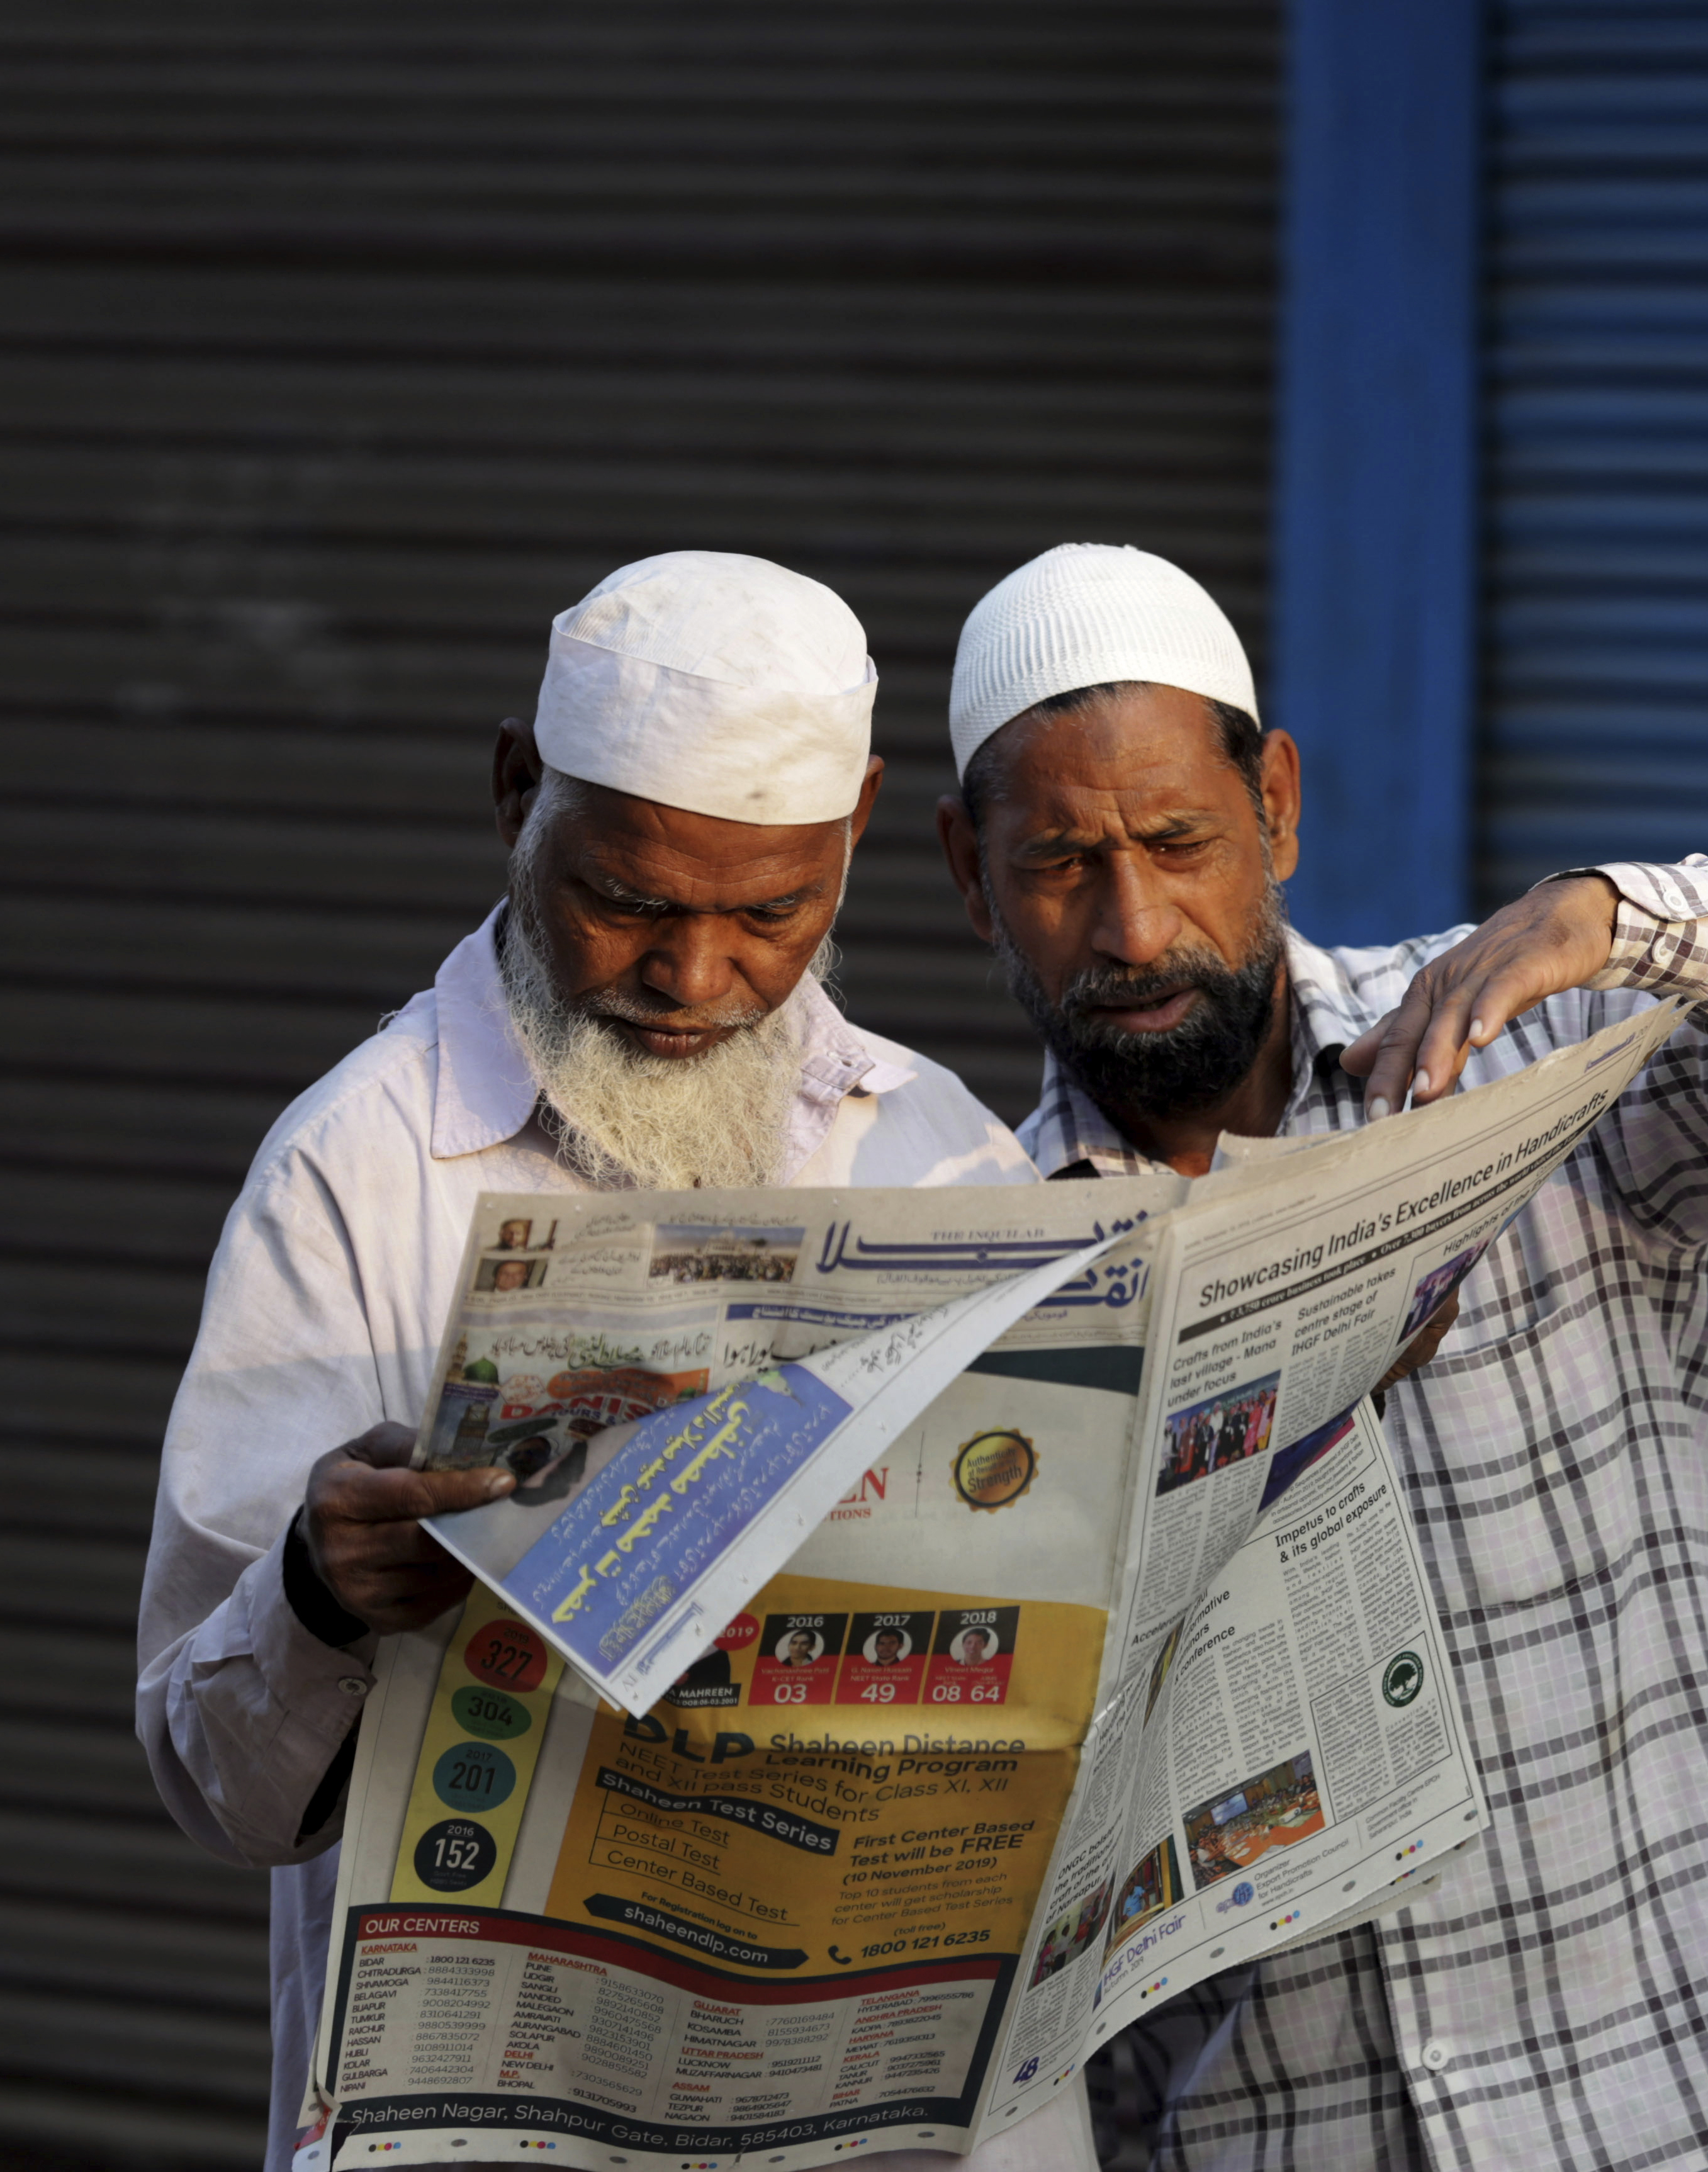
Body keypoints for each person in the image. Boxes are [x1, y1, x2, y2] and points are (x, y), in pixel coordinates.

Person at [935, 544, 1708, 2172]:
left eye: (1177, 841)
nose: (1134, 922)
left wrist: (1618, 914)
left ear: (1275, 807)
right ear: (968, 873)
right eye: (1062, 864)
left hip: (1696, 2109)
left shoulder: (1527, 1065)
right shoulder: (982, 1284)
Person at [133, 553, 1060, 2172]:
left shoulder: (942, 1156)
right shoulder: (357, 1173)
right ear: (516, 796)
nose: (694, 979)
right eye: (624, 900)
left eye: (772, 913)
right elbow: (215, 1785)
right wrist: (317, 1588)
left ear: (855, 829)